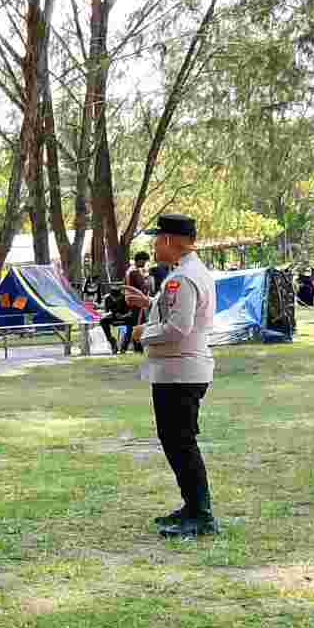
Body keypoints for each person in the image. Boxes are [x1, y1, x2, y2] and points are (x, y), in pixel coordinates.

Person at [130, 214, 219, 537]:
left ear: (169, 240)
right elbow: (182, 311)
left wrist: (143, 333)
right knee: (178, 441)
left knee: (181, 443)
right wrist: (150, 302)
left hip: (179, 372)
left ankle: (201, 514)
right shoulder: (193, 273)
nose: (154, 246)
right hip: (182, 371)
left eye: (157, 239)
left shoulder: (181, 278)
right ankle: (193, 506)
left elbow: (178, 327)